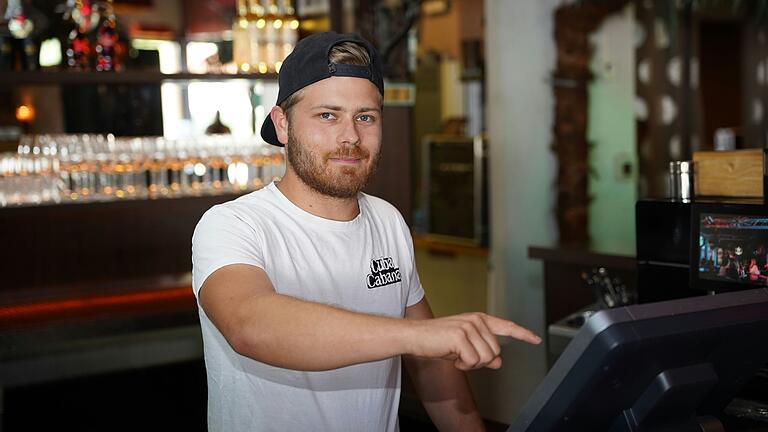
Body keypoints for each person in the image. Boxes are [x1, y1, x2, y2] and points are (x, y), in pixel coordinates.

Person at [191, 32, 541, 432]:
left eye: (365, 117)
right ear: (282, 124)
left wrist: (427, 344)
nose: (350, 137)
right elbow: (249, 325)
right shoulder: (233, 224)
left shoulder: (388, 221)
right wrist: (419, 337)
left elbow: (431, 367)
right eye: (328, 115)